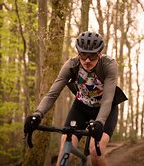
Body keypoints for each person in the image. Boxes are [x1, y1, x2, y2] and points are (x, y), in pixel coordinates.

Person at [24, 31, 127, 166]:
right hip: (81, 107)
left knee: (96, 153)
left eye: (92, 56)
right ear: (78, 52)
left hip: (105, 110)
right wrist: (37, 114)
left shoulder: (109, 65)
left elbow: (108, 98)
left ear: (100, 54)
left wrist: (100, 122)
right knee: (65, 149)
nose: (87, 60)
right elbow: (52, 93)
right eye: (83, 55)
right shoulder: (71, 65)